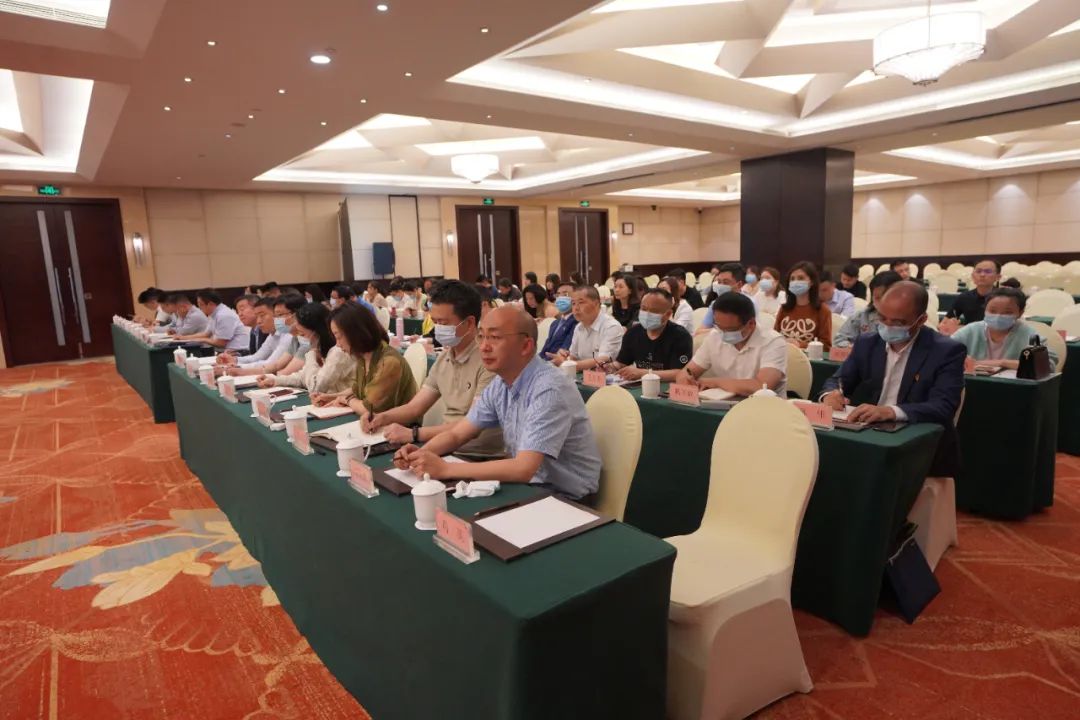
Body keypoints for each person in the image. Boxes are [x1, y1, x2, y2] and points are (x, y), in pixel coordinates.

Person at [392, 306, 600, 501]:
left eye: (494, 337)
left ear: (525, 346)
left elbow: (523, 468)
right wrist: (422, 455)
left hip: (567, 498)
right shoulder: (501, 383)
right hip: (528, 486)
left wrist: (445, 468)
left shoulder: (550, 389)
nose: (483, 347)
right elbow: (458, 434)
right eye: (481, 336)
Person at [820, 281, 965, 474]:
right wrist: (831, 394)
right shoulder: (867, 342)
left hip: (920, 445)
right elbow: (838, 380)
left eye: (898, 322)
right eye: (882, 318)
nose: (887, 326)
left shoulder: (946, 350)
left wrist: (891, 412)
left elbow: (943, 406)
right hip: (871, 435)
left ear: (921, 320)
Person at [364, 281, 504, 457]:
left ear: (469, 323)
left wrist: (414, 434)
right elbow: (415, 408)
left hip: (479, 457)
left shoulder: (489, 362)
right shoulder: (444, 358)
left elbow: (471, 425)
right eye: (435, 322)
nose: (438, 329)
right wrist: (382, 417)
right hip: (446, 449)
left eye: (443, 323)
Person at [675, 292, 788, 396]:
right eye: (719, 327)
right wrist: (685, 378)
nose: (724, 334)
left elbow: (762, 386)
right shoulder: (715, 336)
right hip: (721, 404)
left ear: (751, 323)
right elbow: (688, 371)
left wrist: (715, 382)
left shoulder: (773, 341)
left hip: (762, 406)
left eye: (731, 329)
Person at [323, 302, 417, 415]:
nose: (338, 344)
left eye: (338, 337)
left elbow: (369, 409)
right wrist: (329, 397)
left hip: (399, 424)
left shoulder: (389, 362)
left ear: (356, 333)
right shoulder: (363, 357)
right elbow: (357, 390)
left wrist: (347, 400)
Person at [258, 302, 356, 396]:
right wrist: (275, 380)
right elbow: (303, 377)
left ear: (317, 333)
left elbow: (315, 387)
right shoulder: (322, 349)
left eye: (302, 334)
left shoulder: (338, 352)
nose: (300, 337)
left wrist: (311, 353)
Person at [950, 287, 1057, 370]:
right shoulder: (970, 331)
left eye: (1007, 312)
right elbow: (945, 354)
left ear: (1020, 313)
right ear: (985, 309)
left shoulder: (1029, 335)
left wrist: (1002, 363)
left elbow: (1048, 364)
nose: (998, 316)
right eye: (992, 311)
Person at [611, 288, 693, 381]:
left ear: (668, 314)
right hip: (639, 384)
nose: (647, 314)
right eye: (644, 309)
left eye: (654, 311)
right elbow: (622, 363)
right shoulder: (633, 332)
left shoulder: (681, 336)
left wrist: (643, 373)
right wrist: (610, 367)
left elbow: (681, 373)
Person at [220, 296, 299, 375]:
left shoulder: (289, 335)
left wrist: (237, 368)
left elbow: (273, 364)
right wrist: (235, 361)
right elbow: (259, 358)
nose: (258, 321)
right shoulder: (274, 334)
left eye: (279, 315)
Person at [551, 285, 623, 370]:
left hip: (607, 375)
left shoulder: (611, 327)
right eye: (573, 303)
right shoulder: (578, 327)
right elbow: (574, 357)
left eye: (581, 303)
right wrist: (565, 357)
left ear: (596, 303)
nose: (576, 308)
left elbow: (603, 360)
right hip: (584, 374)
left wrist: (566, 364)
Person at [834, 271, 902, 348]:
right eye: (877, 298)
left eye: (886, 297)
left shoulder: (908, 318)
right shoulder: (862, 315)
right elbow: (839, 340)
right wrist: (856, 348)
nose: (882, 303)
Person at [775, 262, 832, 350]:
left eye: (801, 278)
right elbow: (774, 337)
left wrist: (800, 345)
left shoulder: (822, 310)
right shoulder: (784, 308)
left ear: (811, 282)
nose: (795, 282)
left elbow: (826, 346)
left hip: (808, 357)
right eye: (792, 279)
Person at [176, 289, 249, 350]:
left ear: (210, 304)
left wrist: (203, 340)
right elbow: (206, 334)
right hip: (225, 351)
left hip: (238, 352)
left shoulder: (223, 315)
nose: (199, 308)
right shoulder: (213, 313)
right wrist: (183, 338)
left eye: (201, 304)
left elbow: (221, 343)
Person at [940, 259, 1001, 332]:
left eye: (988, 271)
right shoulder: (964, 297)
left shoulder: (1004, 298)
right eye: (978, 271)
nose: (982, 275)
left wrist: (961, 328)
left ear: (998, 277)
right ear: (972, 276)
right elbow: (944, 323)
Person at [699, 262, 752, 332]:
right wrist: (717, 332)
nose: (721, 286)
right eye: (719, 282)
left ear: (739, 284)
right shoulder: (715, 304)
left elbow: (750, 332)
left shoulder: (750, 304)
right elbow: (700, 331)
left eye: (726, 282)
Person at [540, 282, 578, 359]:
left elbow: (565, 349)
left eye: (565, 294)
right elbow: (545, 348)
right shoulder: (555, 323)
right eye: (558, 295)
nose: (560, 298)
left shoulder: (576, 322)